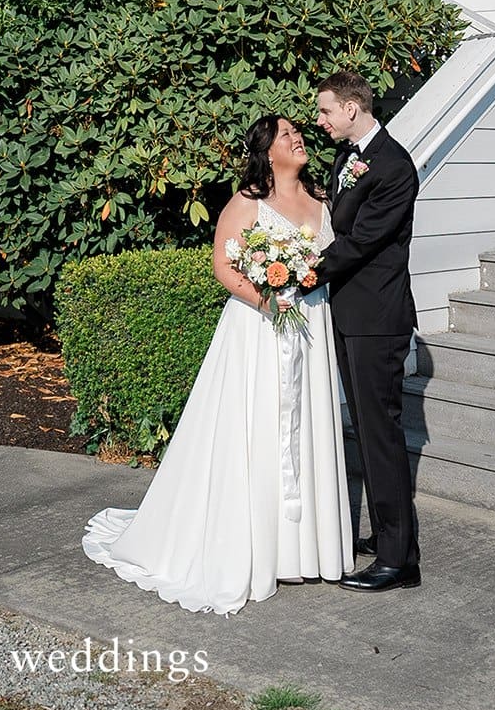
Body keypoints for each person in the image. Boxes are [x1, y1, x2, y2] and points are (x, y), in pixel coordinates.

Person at [81, 115, 354, 614]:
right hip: (260, 329)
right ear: (268, 152)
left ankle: (305, 548)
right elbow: (224, 265)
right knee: (257, 429)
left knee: (305, 430)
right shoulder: (248, 202)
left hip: (311, 326)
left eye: (298, 132)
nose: (297, 139)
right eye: (287, 135)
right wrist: (266, 301)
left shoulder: (323, 199)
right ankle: (257, 545)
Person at [315, 69, 421, 592]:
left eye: (326, 111)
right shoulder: (347, 158)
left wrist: (303, 271)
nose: (321, 121)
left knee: (381, 435)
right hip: (350, 312)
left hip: (378, 318)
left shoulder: (394, 166)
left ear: (351, 109)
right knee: (367, 427)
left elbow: (362, 242)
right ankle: (393, 540)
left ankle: (397, 563)